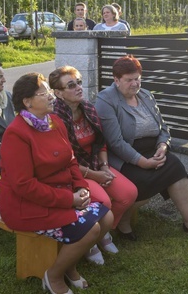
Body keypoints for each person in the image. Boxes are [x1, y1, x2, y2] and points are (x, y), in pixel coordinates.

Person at [0, 72, 113, 293]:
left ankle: (68, 265)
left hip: (60, 193)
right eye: (45, 93)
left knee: (106, 216)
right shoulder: (16, 134)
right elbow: (24, 186)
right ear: (27, 102)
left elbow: (70, 160)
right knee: (90, 229)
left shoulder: (54, 122)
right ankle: (54, 276)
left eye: (51, 92)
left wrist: (81, 187)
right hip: (27, 204)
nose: (52, 96)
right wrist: (69, 199)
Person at [95, 55, 188, 241]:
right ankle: (123, 222)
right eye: (129, 80)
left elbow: (163, 128)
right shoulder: (106, 100)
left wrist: (163, 146)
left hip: (153, 150)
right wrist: (143, 162)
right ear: (116, 80)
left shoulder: (146, 95)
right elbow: (115, 142)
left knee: (176, 168)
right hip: (125, 156)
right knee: (142, 182)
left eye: (138, 78)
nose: (135, 84)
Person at [49, 65, 138, 263]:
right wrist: (94, 175)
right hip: (73, 173)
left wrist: (105, 167)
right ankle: (88, 241)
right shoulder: (55, 118)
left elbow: (101, 141)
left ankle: (102, 233)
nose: (78, 88)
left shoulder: (87, 107)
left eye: (79, 82)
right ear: (58, 93)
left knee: (129, 194)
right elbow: (64, 161)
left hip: (96, 164)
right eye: (71, 85)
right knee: (104, 202)